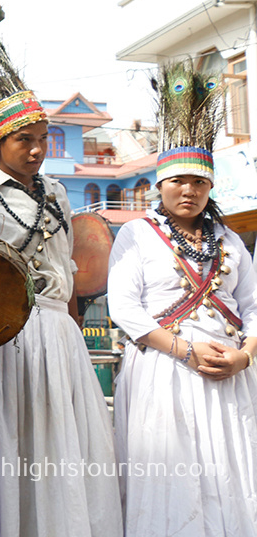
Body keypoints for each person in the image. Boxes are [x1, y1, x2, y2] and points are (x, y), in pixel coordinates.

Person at [108, 64, 257, 535]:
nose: (188, 190)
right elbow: (125, 309)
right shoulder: (136, 234)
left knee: (229, 474)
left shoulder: (230, 240)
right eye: (178, 181)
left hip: (228, 374)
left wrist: (244, 358)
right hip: (163, 371)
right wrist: (187, 352)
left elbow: (253, 307)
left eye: (199, 182)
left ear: (210, 186)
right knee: (170, 477)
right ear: (160, 184)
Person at [0, 116, 122, 536]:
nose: (36, 149)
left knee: (73, 435)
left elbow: (66, 266)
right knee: (26, 437)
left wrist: (73, 327)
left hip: (62, 332)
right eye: (23, 140)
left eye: (43, 140)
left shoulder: (59, 193)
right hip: (14, 334)